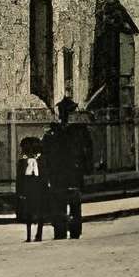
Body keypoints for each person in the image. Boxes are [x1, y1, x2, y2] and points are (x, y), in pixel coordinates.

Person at [41, 97, 95, 241]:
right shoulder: (74, 131)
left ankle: (65, 231)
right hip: (68, 174)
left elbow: (87, 151)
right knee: (70, 204)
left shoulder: (56, 132)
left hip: (65, 174)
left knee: (66, 203)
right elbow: (87, 151)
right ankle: (68, 231)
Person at [14, 135, 48, 241]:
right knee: (32, 212)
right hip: (33, 188)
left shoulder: (35, 161)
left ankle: (35, 235)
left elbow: (20, 178)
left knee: (35, 212)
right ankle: (34, 235)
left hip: (34, 188)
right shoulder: (37, 161)